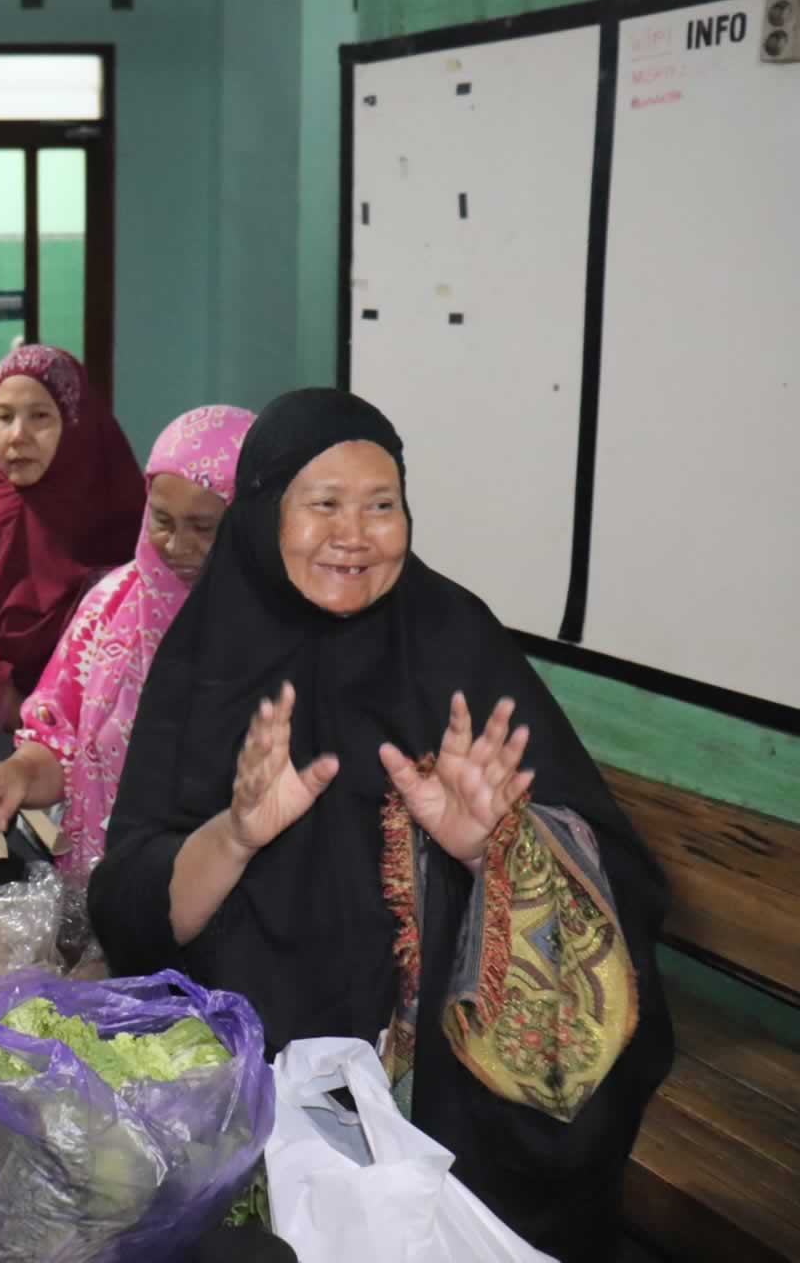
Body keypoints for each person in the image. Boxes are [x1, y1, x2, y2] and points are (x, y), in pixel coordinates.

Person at [87, 388, 672, 1259]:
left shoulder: (455, 637)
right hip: (246, 1073)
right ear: (262, 512)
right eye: (323, 504)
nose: (355, 534)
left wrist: (493, 856)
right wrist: (236, 837)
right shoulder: (207, 656)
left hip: (441, 1089)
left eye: (381, 504)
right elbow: (130, 902)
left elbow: (617, 875)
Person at [0, 405, 256, 882]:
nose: (177, 547)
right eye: (162, 520)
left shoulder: (277, 630)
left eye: (205, 528)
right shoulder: (111, 608)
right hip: (111, 891)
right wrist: (15, 773)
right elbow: (60, 745)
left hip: (234, 905)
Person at [0, 345, 147, 745]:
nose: (17, 436)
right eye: (3, 417)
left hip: (110, 735)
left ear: (75, 422)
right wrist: (38, 724)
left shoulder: (120, 511)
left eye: (40, 416)